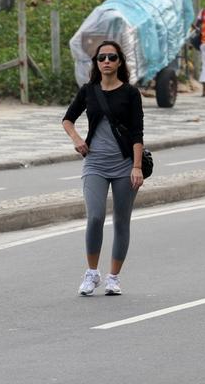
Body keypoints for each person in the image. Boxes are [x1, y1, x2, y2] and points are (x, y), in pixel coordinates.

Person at [62, 41, 145, 296]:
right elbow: (67, 119)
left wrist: (137, 166)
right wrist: (77, 140)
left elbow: (137, 132)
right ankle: (92, 273)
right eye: (101, 58)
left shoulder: (131, 94)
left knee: (121, 221)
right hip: (95, 163)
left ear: (120, 61)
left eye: (111, 57)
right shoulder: (89, 91)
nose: (106, 61)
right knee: (95, 216)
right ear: (96, 63)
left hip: (124, 165)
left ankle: (113, 277)